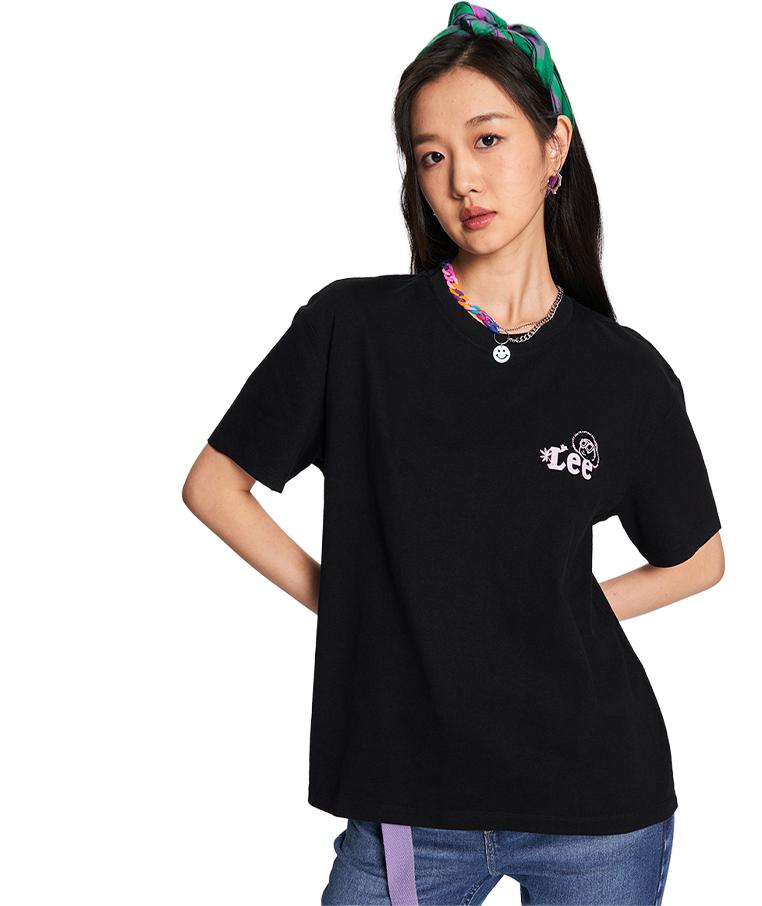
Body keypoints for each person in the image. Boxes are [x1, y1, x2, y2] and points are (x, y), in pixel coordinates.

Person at [182, 4, 725, 904]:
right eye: (431, 155)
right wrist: (353, 604)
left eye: (487, 140)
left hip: (598, 802)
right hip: (409, 804)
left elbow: (699, 559)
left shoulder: (624, 373)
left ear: (554, 147)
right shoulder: (354, 329)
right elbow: (214, 485)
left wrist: (551, 613)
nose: (461, 178)